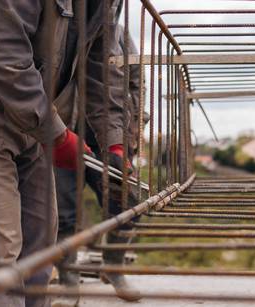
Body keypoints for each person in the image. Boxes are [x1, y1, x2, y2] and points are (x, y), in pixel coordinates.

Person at [0, 1, 122, 306]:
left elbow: (102, 68)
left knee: (40, 253)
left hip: (35, 120)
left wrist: (114, 143)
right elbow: (2, 54)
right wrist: (58, 135)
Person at [54, 24, 149, 302]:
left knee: (127, 204)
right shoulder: (62, 27)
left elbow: (136, 78)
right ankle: (69, 282)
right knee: (64, 214)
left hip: (110, 137)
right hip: (64, 131)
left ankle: (114, 268)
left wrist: (134, 125)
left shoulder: (118, 32)